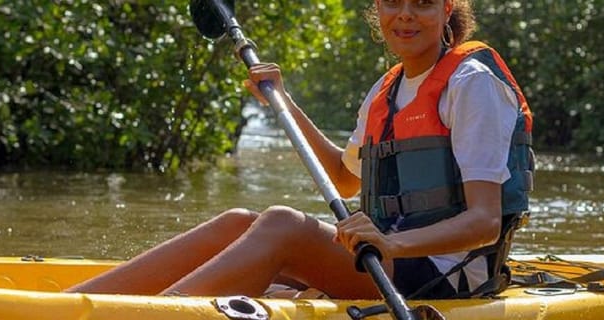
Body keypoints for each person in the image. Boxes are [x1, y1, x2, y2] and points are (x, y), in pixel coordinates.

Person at [67, 0, 532, 299]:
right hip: (388, 258)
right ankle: (73, 306)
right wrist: (282, 100)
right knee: (236, 223)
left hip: (448, 274)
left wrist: (391, 242)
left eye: (424, 3)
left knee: (283, 225)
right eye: (394, 2)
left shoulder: (472, 85)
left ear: (447, 10)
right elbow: (346, 178)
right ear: (378, 9)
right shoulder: (387, 91)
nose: (406, 14)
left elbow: (484, 224)